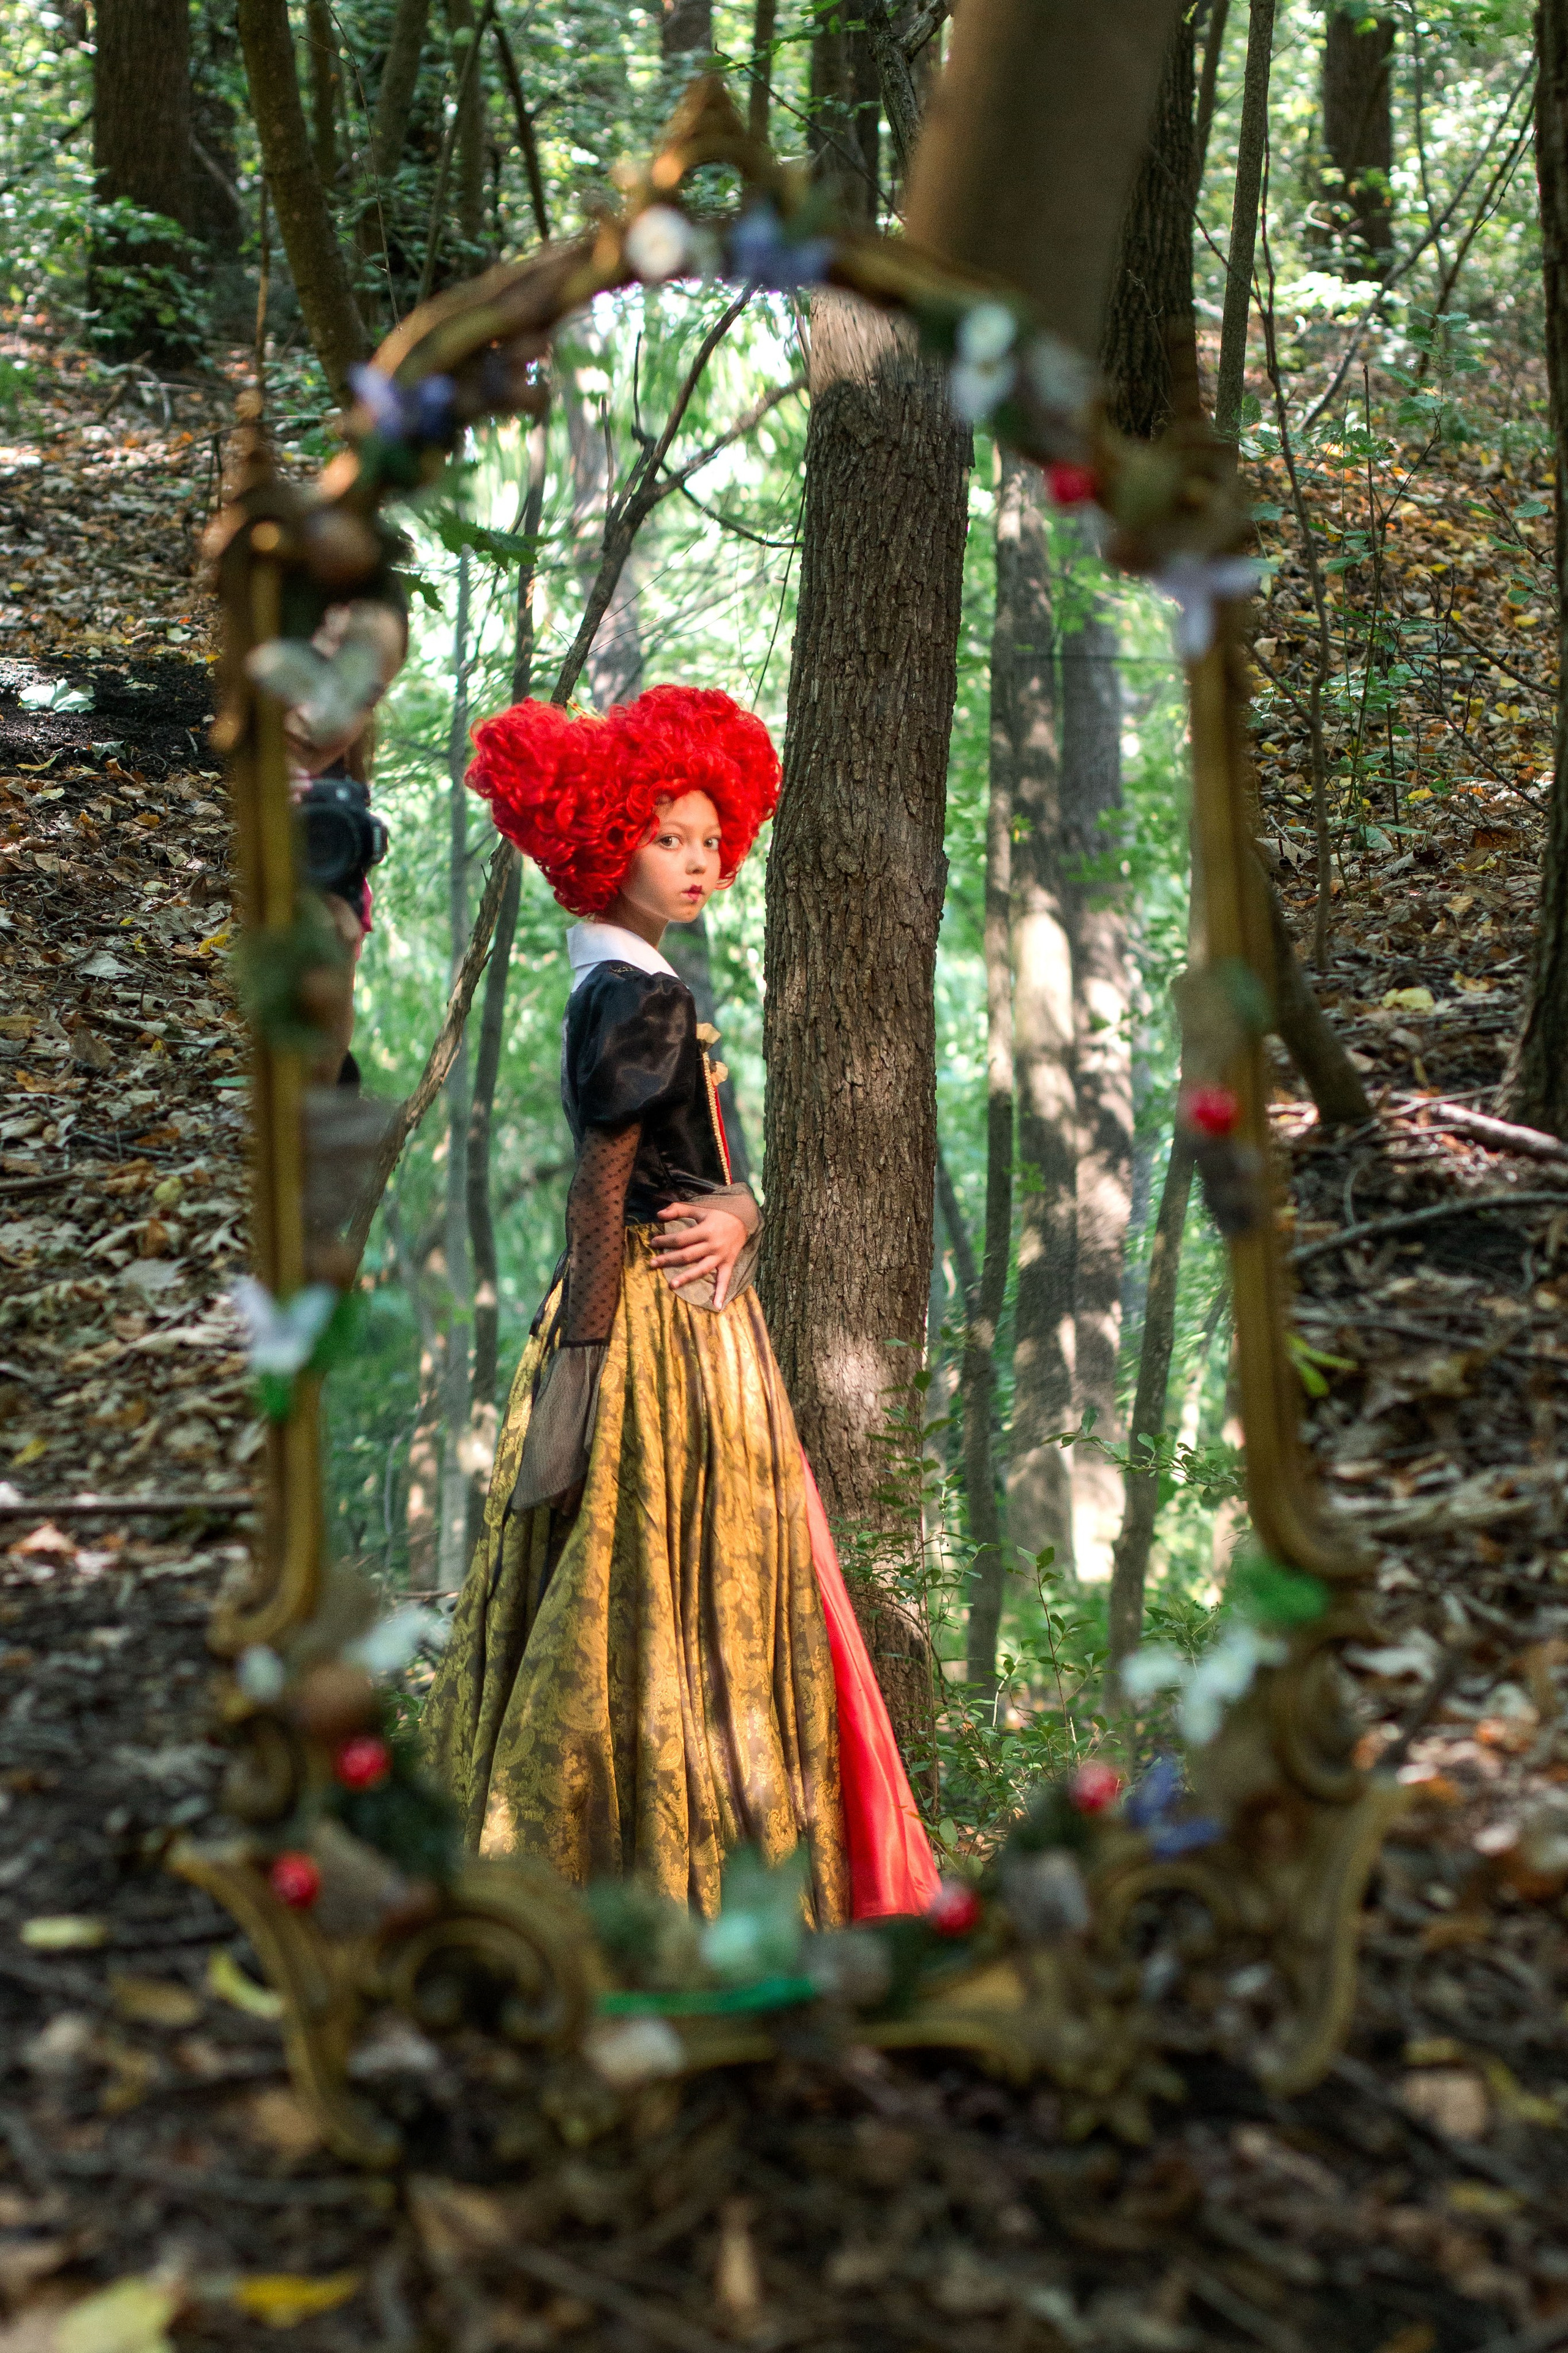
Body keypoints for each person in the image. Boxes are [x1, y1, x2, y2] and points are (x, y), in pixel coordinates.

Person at [423, 684, 940, 1927]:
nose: (700, 860)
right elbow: (603, 1199)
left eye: (712, 838)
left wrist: (745, 1207)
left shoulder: (618, 979)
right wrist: (585, 1367)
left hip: (667, 1308)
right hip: (652, 1327)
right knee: (658, 1583)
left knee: (642, 1584)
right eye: (669, 836)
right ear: (606, 842)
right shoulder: (638, 994)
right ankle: (672, 1866)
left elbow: (671, 1169)